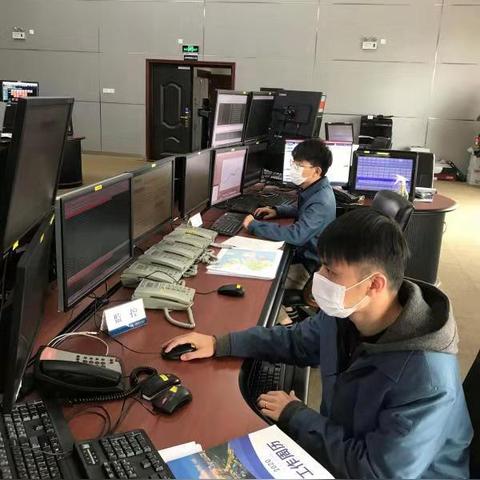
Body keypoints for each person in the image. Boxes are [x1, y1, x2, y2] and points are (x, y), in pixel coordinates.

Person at [163, 208, 472, 479]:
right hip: (349, 449)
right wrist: (221, 343)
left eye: (331, 271)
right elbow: (296, 340)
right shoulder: (347, 314)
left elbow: (375, 472)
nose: (319, 277)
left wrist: (296, 415)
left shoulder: (427, 379)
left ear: (374, 284)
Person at [242, 139, 336, 290]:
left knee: (258, 285)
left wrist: (254, 225)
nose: (293, 168)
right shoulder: (316, 188)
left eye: (299, 165)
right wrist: (278, 211)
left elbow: (296, 235)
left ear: (317, 171)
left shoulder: (321, 202)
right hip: (299, 254)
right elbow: (303, 210)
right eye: (293, 163)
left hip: (307, 267)